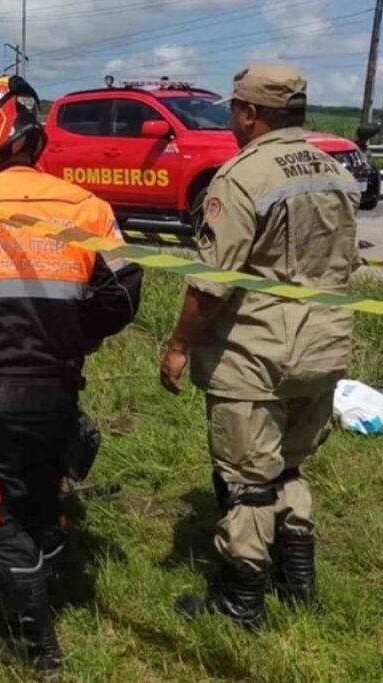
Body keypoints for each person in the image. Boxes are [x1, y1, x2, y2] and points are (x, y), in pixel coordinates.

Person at [0, 75, 143, 676]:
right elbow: (123, 296)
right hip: (57, 390)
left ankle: (35, 645)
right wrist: (74, 339)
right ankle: (25, 605)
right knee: (40, 501)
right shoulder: (88, 207)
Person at [160, 64, 361, 628]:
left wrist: (177, 345)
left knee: (247, 481)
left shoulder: (241, 177)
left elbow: (212, 282)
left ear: (249, 113)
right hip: (325, 346)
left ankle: (241, 603)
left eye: (233, 109)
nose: (231, 118)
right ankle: (297, 581)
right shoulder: (334, 170)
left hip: (258, 355)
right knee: (289, 468)